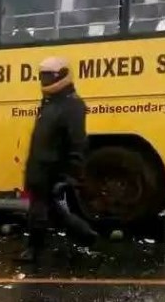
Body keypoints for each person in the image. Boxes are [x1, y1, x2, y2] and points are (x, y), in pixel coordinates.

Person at [18, 56, 97, 263]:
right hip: (39, 166)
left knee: (39, 211)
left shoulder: (72, 105)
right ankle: (86, 235)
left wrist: (68, 176)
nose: (44, 81)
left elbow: (77, 143)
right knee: (52, 210)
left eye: (48, 77)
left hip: (51, 168)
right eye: (42, 77)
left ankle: (33, 251)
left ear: (62, 76)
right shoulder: (51, 102)